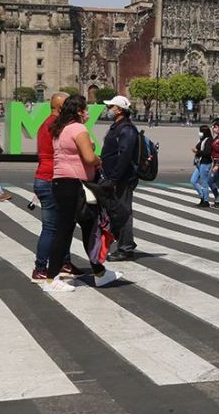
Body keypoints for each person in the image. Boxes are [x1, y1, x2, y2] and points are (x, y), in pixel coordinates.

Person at [46, 94, 119, 292]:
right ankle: (51, 278)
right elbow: (88, 158)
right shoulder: (78, 128)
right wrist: (98, 159)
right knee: (65, 230)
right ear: (79, 111)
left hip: (62, 183)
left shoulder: (60, 129)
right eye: (85, 109)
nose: (87, 112)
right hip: (74, 184)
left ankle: (99, 272)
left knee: (89, 226)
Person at [31, 92, 78, 281]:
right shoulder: (56, 126)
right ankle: (40, 267)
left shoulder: (46, 124)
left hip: (45, 176)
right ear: (61, 108)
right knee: (51, 227)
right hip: (51, 178)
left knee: (62, 225)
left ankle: (64, 262)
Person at [102, 95, 140, 262]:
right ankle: (126, 242)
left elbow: (124, 156)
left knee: (123, 212)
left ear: (118, 110)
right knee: (115, 211)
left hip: (122, 179)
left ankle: (125, 248)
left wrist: (115, 179)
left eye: (110, 106)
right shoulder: (118, 127)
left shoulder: (127, 129)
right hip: (114, 176)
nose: (108, 109)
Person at [190, 124, 213, 207]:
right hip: (200, 163)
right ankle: (202, 196)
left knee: (204, 182)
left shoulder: (209, 140)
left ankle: (205, 200)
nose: (199, 133)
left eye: (201, 131)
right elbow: (198, 146)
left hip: (206, 163)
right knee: (193, 180)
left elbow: (207, 152)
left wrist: (197, 152)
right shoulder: (203, 140)